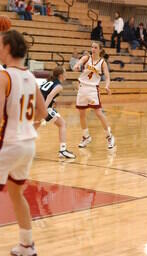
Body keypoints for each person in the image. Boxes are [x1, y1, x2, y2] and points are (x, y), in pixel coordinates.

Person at [0, 30, 47, 256]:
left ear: (8, 47)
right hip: (28, 144)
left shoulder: (4, 76)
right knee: (16, 194)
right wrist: (25, 124)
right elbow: (43, 111)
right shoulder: (30, 77)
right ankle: (27, 246)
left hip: (7, 144)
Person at [74, 41, 115, 149]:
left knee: (99, 113)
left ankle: (109, 136)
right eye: (92, 47)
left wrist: (107, 86)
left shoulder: (102, 63)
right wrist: (77, 65)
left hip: (93, 89)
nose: (93, 49)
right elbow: (79, 63)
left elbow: (107, 77)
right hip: (82, 87)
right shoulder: (86, 58)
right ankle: (86, 136)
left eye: (95, 47)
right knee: (81, 114)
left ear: (100, 49)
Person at [40, 66, 76, 159]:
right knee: (62, 124)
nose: (66, 74)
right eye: (65, 72)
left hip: (34, 105)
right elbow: (50, 95)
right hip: (42, 108)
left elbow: (44, 93)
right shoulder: (59, 86)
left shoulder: (48, 81)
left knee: (32, 127)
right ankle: (63, 150)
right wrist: (43, 109)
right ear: (61, 75)